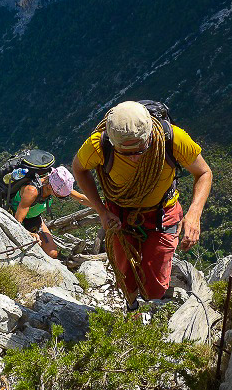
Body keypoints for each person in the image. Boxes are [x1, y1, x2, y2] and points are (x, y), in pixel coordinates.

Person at [72, 100, 212, 310]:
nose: (136, 158)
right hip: (119, 213)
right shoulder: (99, 144)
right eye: (127, 153)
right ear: (112, 142)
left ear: (148, 136)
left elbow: (204, 173)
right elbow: (79, 168)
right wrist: (101, 211)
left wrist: (194, 214)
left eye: (141, 149)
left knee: (155, 277)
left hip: (162, 212)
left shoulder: (171, 139)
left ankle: (152, 313)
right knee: (124, 272)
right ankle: (132, 311)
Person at [12, 166, 93, 258]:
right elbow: (17, 222)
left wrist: (101, 207)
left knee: (53, 254)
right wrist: (29, 234)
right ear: (50, 187)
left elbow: (81, 199)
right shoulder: (32, 191)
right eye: (61, 196)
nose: (63, 197)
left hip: (34, 218)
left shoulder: (57, 185)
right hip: (16, 216)